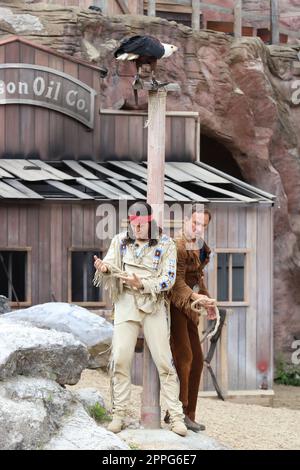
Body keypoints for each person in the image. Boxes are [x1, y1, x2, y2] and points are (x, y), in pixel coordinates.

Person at [93, 202, 187, 436]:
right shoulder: (120, 241)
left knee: (165, 363)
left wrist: (143, 283)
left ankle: (176, 417)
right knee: (121, 358)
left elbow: (169, 279)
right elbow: (111, 264)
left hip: (153, 304)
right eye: (133, 224)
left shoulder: (166, 244)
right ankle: (119, 414)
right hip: (126, 304)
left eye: (141, 225)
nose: (137, 229)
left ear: (150, 222)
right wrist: (104, 268)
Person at [168, 207, 217, 432]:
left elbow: (197, 278)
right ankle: (176, 412)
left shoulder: (200, 248)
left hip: (191, 309)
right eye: (195, 223)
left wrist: (208, 303)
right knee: (184, 357)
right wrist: (196, 297)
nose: (198, 229)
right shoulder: (176, 246)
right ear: (186, 220)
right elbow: (176, 282)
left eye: (203, 226)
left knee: (197, 361)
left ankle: (189, 414)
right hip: (175, 306)